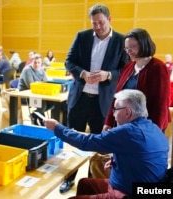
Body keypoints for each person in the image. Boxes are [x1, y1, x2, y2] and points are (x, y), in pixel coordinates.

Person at [44, 89, 169, 198]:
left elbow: (86, 142)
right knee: (84, 183)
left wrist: (57, 128)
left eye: (115, 109)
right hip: (150, 189)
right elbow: (142, 155)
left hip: (127, 193)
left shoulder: (127, 131)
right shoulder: (154, 128)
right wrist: (116, 159)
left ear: (127, 112)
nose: (113, 114)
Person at [62, 3, 128, 193]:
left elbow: (125, 69)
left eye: (101, 23)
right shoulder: (82, 36)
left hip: (104, 101)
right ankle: (69, 177)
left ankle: (92, 182)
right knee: (72, 140)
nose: (97, 27)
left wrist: (108, 75)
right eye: (94, 23)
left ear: (109, 19)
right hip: (80, 98)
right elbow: (69, 61)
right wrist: (82, 73)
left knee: (100, 145)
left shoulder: (121, 41)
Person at [103, 28, 170, 132]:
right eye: (126, 48)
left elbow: (160, 102)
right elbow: (117, 97)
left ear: (143, 44)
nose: (129, 51)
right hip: (124, 124)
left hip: (147, 126)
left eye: (132, 47)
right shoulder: (128, 67)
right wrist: (109, 122)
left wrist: (154, 130)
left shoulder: (158, 67)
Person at [18, 53, 53, 125]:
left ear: (41, 63)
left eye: (39, 62)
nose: (37, 64)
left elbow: (46, 82)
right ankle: (42, 121)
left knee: (52, 103)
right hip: (26, 94)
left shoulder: (42, 70)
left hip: (38, 93)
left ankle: (34, 115)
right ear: (31, 62)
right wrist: (41, 83)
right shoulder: (27, 70)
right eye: (35, 62)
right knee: (42, 104)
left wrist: (40, 83)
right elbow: (31, 85)